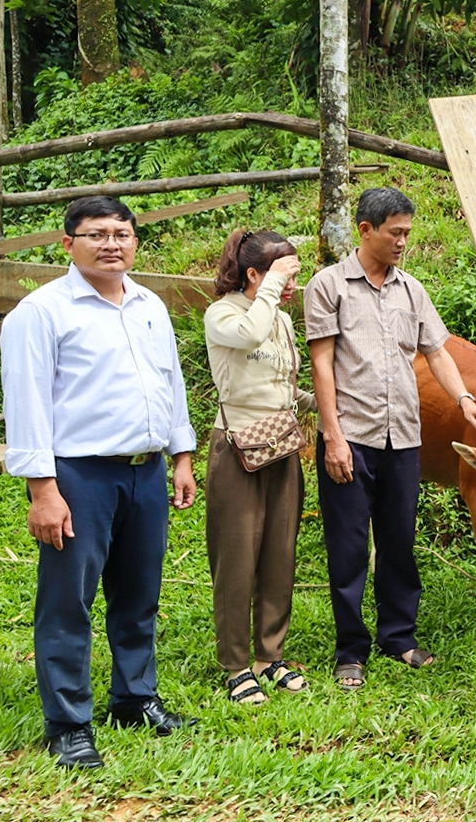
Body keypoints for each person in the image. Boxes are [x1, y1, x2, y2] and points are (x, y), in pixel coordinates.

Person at [0, 196, 198, 769]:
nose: (112, 244)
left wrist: (180, 455)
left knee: (138, 596)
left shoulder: (149, 305)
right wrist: (43, 489)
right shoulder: (40, 312)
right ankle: (68, 722)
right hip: (78, 476)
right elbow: (28, 404)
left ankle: (135, 699)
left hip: (146, 472)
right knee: (68, 601)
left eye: (122, 233)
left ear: (135, 241)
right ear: (68, 244)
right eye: (96, 234)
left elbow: (171, 383)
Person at [304, 187, 476, 690]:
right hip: (352, 435)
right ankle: (351, 650)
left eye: (408, 233)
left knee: (399, 542)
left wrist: (464, 400)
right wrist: (332, 436)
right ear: (366, 230)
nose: (403, 242)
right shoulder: (329, 286)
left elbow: (437, 352)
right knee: (348, 547)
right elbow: (322, 364)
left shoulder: (410, 289)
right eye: (395, 233)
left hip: (403, 439)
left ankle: (399, 637)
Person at [204, 229, 317, 705]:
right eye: (283, 273)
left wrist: (321, 404)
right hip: (236, 450)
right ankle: (234, 664)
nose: (291, 285)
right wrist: (271, 289)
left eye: (294, 274)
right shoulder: (224, 313)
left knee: (278, 554)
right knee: (237, 560)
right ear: (254, 274)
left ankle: (269, 656)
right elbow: (249, 334)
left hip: (281, 445)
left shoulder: (282, 322)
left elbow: (282, 383)